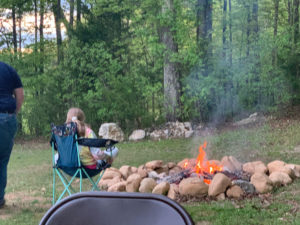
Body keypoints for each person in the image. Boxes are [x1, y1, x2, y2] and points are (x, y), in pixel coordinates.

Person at [0, 61, 24, 208]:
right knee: (2, 160)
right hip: (6, 118)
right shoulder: (9, 69)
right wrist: (13, 113)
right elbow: (20, 95)